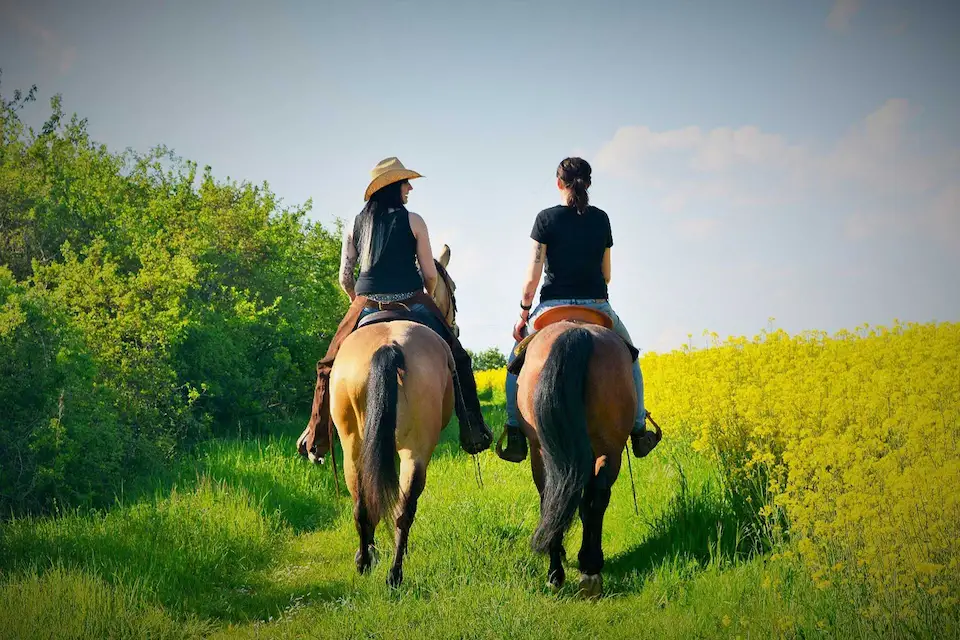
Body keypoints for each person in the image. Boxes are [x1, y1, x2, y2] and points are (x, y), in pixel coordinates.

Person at [297, 157, 493, 460]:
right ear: (392, 186)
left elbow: (344, 277)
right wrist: (430, 298)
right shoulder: (414, 220)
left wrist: (358, 303)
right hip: (413, 300)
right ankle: (473, 429)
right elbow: (430, 273)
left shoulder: (354, 223)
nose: (410, 188)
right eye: (405, 183)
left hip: (366, 302)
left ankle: (317, 437)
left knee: (327, 365)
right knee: (459, 357)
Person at [497, 156, 650, 462]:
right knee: (630, 356)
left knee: (516, 360)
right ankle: (638, 428)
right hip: (597, 306)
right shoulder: (601, 219)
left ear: (559, 183)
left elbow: (532, 278)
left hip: (552, 307)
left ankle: (515, 429)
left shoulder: (545, 219)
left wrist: (524, 312)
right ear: (589, 183)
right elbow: (607, 275)